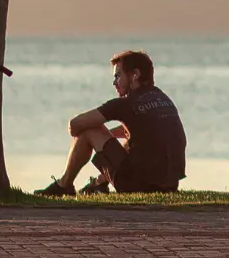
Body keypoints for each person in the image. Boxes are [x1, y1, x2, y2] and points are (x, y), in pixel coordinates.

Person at [35, 50, 186, 197]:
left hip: (138, 185)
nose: (114, 82)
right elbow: (142, 131)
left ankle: (64, 185)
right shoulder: (163, 99)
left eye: (118, 76)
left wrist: (96, 135)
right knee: (135, 141)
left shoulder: (125, 104)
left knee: (89, 129)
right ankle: (100, 183)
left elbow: (74, 125)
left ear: (135, 75)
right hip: (169, 184)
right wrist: (109, 136)